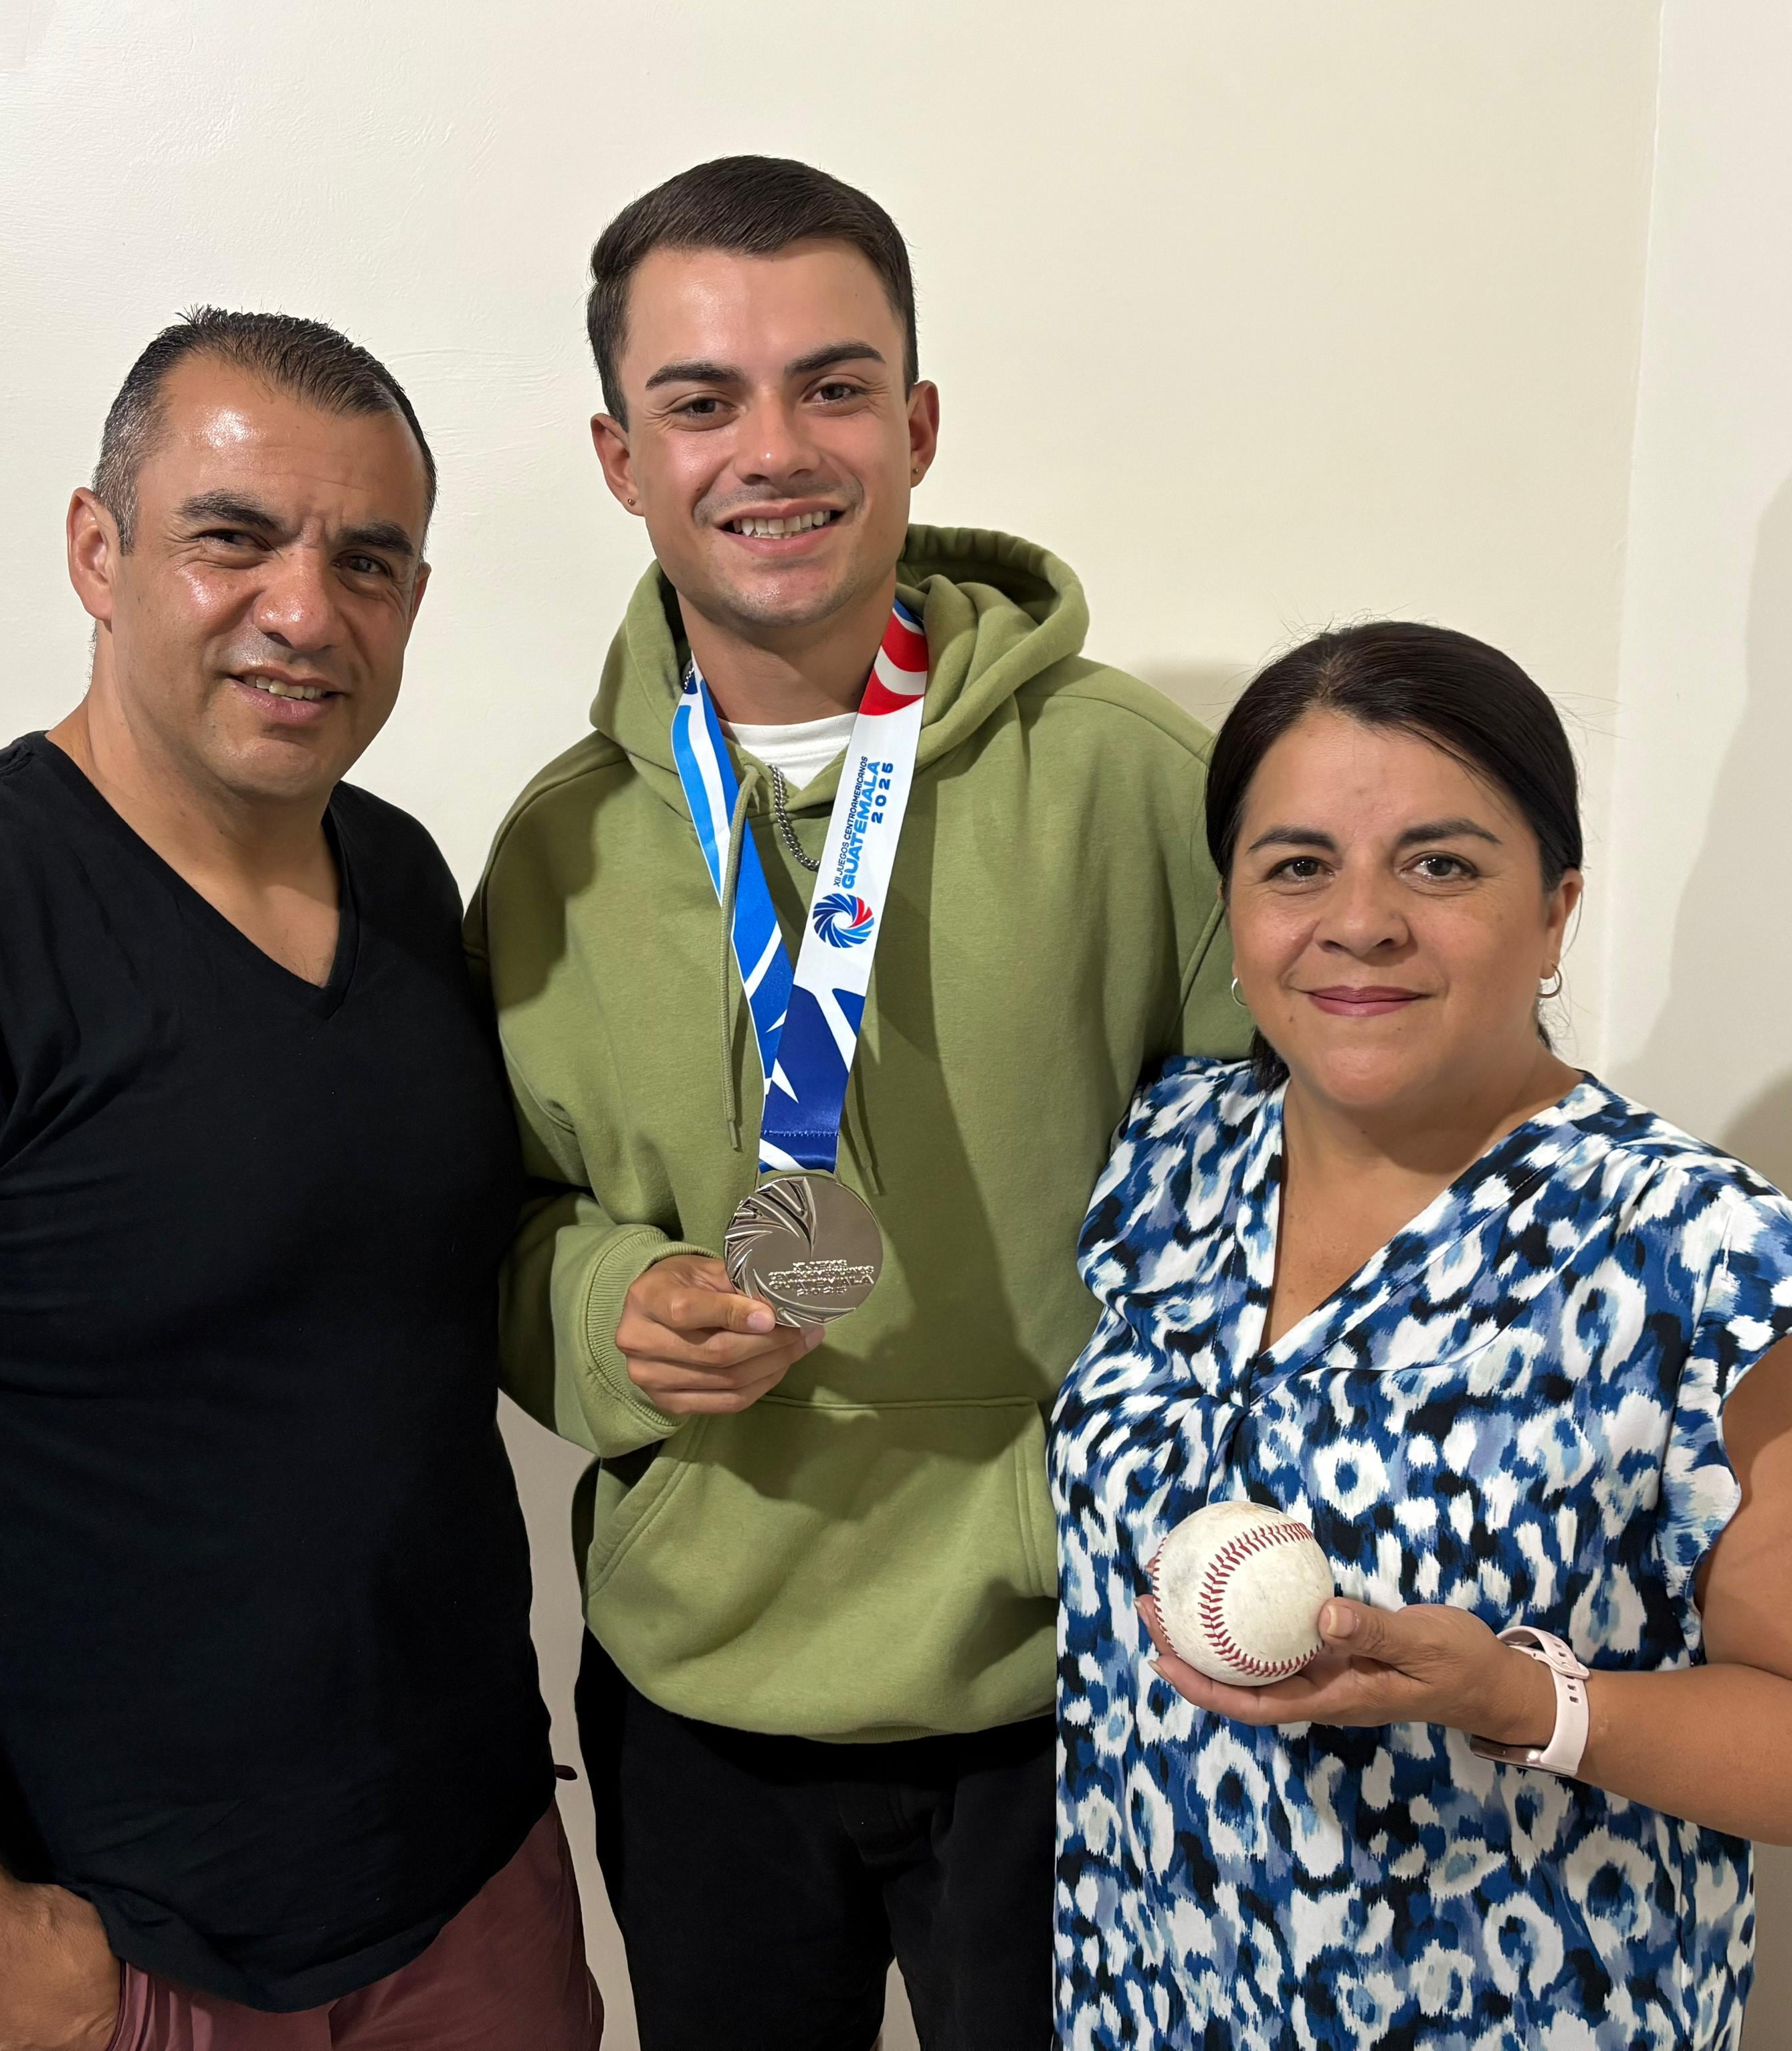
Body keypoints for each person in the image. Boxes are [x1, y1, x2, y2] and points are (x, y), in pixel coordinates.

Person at [0, 310, 601, 2051]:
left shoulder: (398, 879)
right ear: (99, 551)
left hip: (475, 1890)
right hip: (127, 1955)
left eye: (366, 560)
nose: (304, 612)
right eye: (234, 537)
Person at [469, 155, 1248, 2050]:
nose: (773, 449)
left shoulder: (1142, 784)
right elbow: (491, 1224)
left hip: (1079, 1676)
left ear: (917, 423)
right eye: (701, 400)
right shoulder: (555, 852)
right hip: (704, 1683)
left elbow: (1276, 1211)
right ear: (618, 458)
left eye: (831, 386)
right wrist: (606, 1307)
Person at [1051, 622, 1792, 2048]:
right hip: (1147, 2003)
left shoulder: (1716, 1268)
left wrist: (1525, 1699)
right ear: (1232, 905)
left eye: (1440, 865)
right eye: (1298, 866)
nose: (1362, 921)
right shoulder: (1171, 1155)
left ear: (1554, 911)